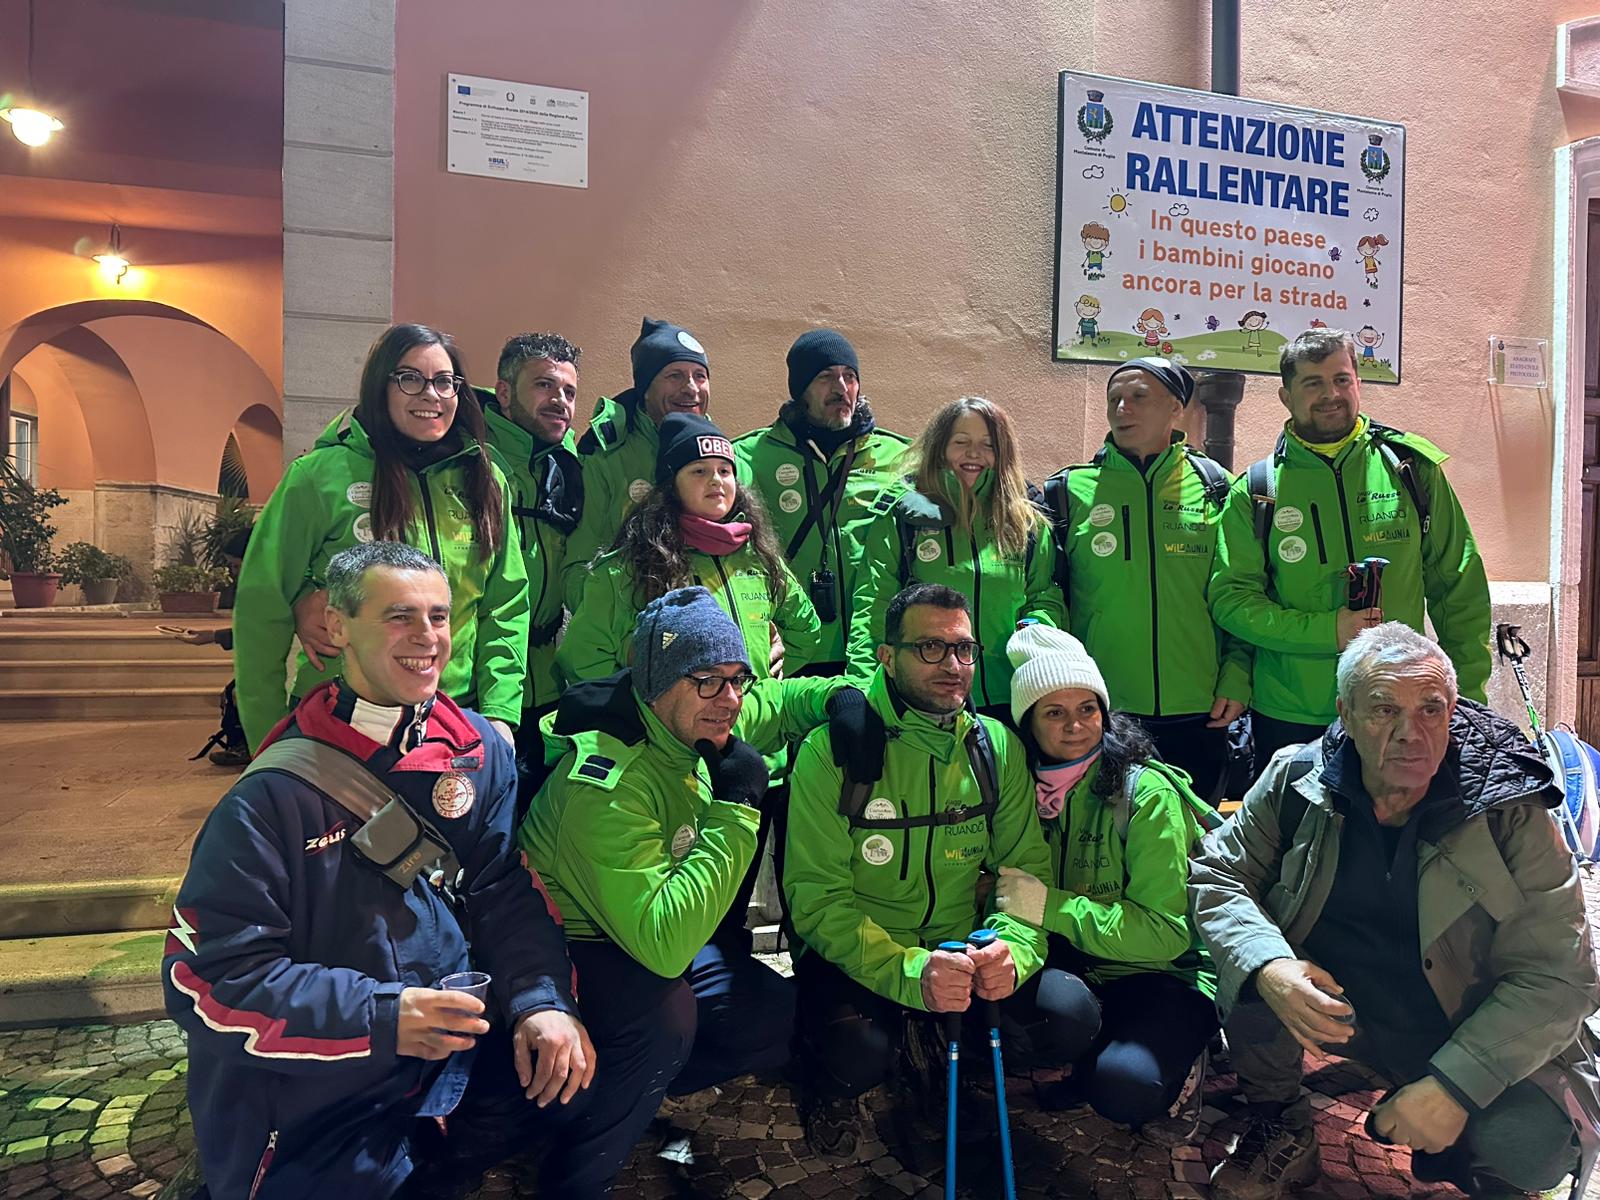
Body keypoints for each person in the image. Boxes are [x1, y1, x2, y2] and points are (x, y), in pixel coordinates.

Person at [163, 542, 669, 1200]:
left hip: (444, 1068)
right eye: (399, 617)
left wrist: (541, 1004)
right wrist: (382, 1017)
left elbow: (501, 890)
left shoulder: (480, 750)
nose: (426, 638)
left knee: (593, 1061)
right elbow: (204, 978)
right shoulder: (273, 795)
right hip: (326, 1095)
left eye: (439, 617)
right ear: (338, 626)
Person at [1190, 623, 1600, 1200]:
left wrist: (1457, 1084)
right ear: (1345, 714)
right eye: (1384, 709)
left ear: (1454, 709)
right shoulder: (1297, 778)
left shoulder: (1510, 808)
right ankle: (1280, 1119)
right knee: (1253, 971)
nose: (1412, 733)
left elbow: (1563, 975)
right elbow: (1218, 872)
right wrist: (1269, 966)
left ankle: (1470, 1160)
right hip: (1344, 1004)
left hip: (1465, 1017)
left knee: (1528, 1147)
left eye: (1432, 708)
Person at [785, 584, 1091, 1160]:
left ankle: (940, 1049)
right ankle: (847, 1076)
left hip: (962, 948)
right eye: (930, 649)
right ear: (886, 656)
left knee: (1068, 1017)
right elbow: (817, 902)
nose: (954, 666)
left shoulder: (994, 746)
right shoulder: (831, 753)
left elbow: (1024, 877)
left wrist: (1013, 952)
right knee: (854, 1052)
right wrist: (911, 971)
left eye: (965, 650)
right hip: (863, 955)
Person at [519, 587, 849, 1109]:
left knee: (772, 1012)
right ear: (658, 684)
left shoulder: (696, 721)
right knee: (665, 1020)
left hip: (643, 920)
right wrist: (737, 808)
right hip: (579, 945)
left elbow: (779, 702)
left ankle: (636, 1089)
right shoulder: (607, 780)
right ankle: (581, 1125)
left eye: (738, 678)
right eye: (709, 681)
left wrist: (839, 698)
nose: (732, 699)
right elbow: (665, 947)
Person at [233, 323, 528, 753]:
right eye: (410, 379)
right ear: (379, 386)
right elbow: (262, 608)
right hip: (340, 717)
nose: (431, 395)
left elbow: (506, 603)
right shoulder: (318, 477)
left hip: (452, 717)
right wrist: (268, 740)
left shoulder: (485, 479)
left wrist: (500, 715)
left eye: (445, 382)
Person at [1209, 327, 1491, 775]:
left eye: (1342, 379)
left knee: (1396, 841)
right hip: (1292, 710)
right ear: (1286, 396)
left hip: (1400, 711)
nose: (1331, 394)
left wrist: (1467, 697)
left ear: (1358, 382)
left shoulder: (1410, 470)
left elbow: (1459, 589)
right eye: (1313, 383)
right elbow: (1232, 602)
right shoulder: (1258, 491)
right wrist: (1329, 632)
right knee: (1297, 841)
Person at [991, 623, 1219, 1140]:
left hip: (1162, 973)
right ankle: (1094, 1049)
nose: (1076, 726)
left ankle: (1178, 1060)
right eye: (1054, 711)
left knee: (1124, 1088)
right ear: (1028, 723)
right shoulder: (1019, 790)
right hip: (1082, 961)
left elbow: (1164, 936)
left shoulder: (1145, 794)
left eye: (1088, 708)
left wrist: (1049, 906)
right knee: (1018, 1013)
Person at [1042, 358, 1249, 799]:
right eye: (1114, 399)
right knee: (1106, 845)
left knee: (1195, 840)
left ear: (1176, 407)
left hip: (1200, 708)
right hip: (1104, 709)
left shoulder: (1217, 488)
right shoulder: (1067, 492)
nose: (1122, 409)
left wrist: (1236, 675)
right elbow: (1051, 596)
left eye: (1139, 397)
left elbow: (1239, 592)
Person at [559, 412, 820, 684]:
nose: (716, 480)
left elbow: (806, 631)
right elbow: (581, 658)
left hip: (757, 724)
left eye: (724, 470)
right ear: (671, 486)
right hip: (674, 726)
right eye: (699, 470)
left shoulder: (760, 558)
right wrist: (640, 706)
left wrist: (776, 664)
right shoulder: (629, 568)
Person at [848, 396, 1065, 719]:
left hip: (1011, 697)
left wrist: (1034, 626)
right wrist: (864, 690)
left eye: (987, 445)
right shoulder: (903, 519)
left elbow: (1043, 596)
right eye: (961, 442)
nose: (973, 453)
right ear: (940, 448)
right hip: (926, 699)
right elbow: (873, 606)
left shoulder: (1026, 524)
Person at [733, 329, 909, 674]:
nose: (841, 387)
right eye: (826, 377)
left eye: (850, 376)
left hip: (875, 652)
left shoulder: (900, 457)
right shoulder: (749, 457)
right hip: (793, 652)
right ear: (800, 390)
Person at [560, 316, 711, 610]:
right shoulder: (605, 459)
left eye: (699, 376)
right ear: (646, 389)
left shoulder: (723, 459)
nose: (691, 388)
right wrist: (621, 634)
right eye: (675, 376)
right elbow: (577, 571)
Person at [479, 332, 584, 728]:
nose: (560, 401)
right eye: (544, 385)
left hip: (548, 689)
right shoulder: (468, 463)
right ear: (504, 393)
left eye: (569, 392)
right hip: (474, 689)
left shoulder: (570, 470)